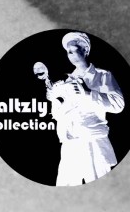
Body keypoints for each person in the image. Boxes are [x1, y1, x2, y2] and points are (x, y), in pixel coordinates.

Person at [48, 31, 125, 185]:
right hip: (70, 144)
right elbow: (58, 115)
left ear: (85, 50)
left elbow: (118, 104)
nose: (69, 54)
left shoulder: (102, 76)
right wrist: (55, 99)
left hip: (93, 141)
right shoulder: (66, 81)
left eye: (73, 49)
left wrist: (88, 93)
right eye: (67, 51)